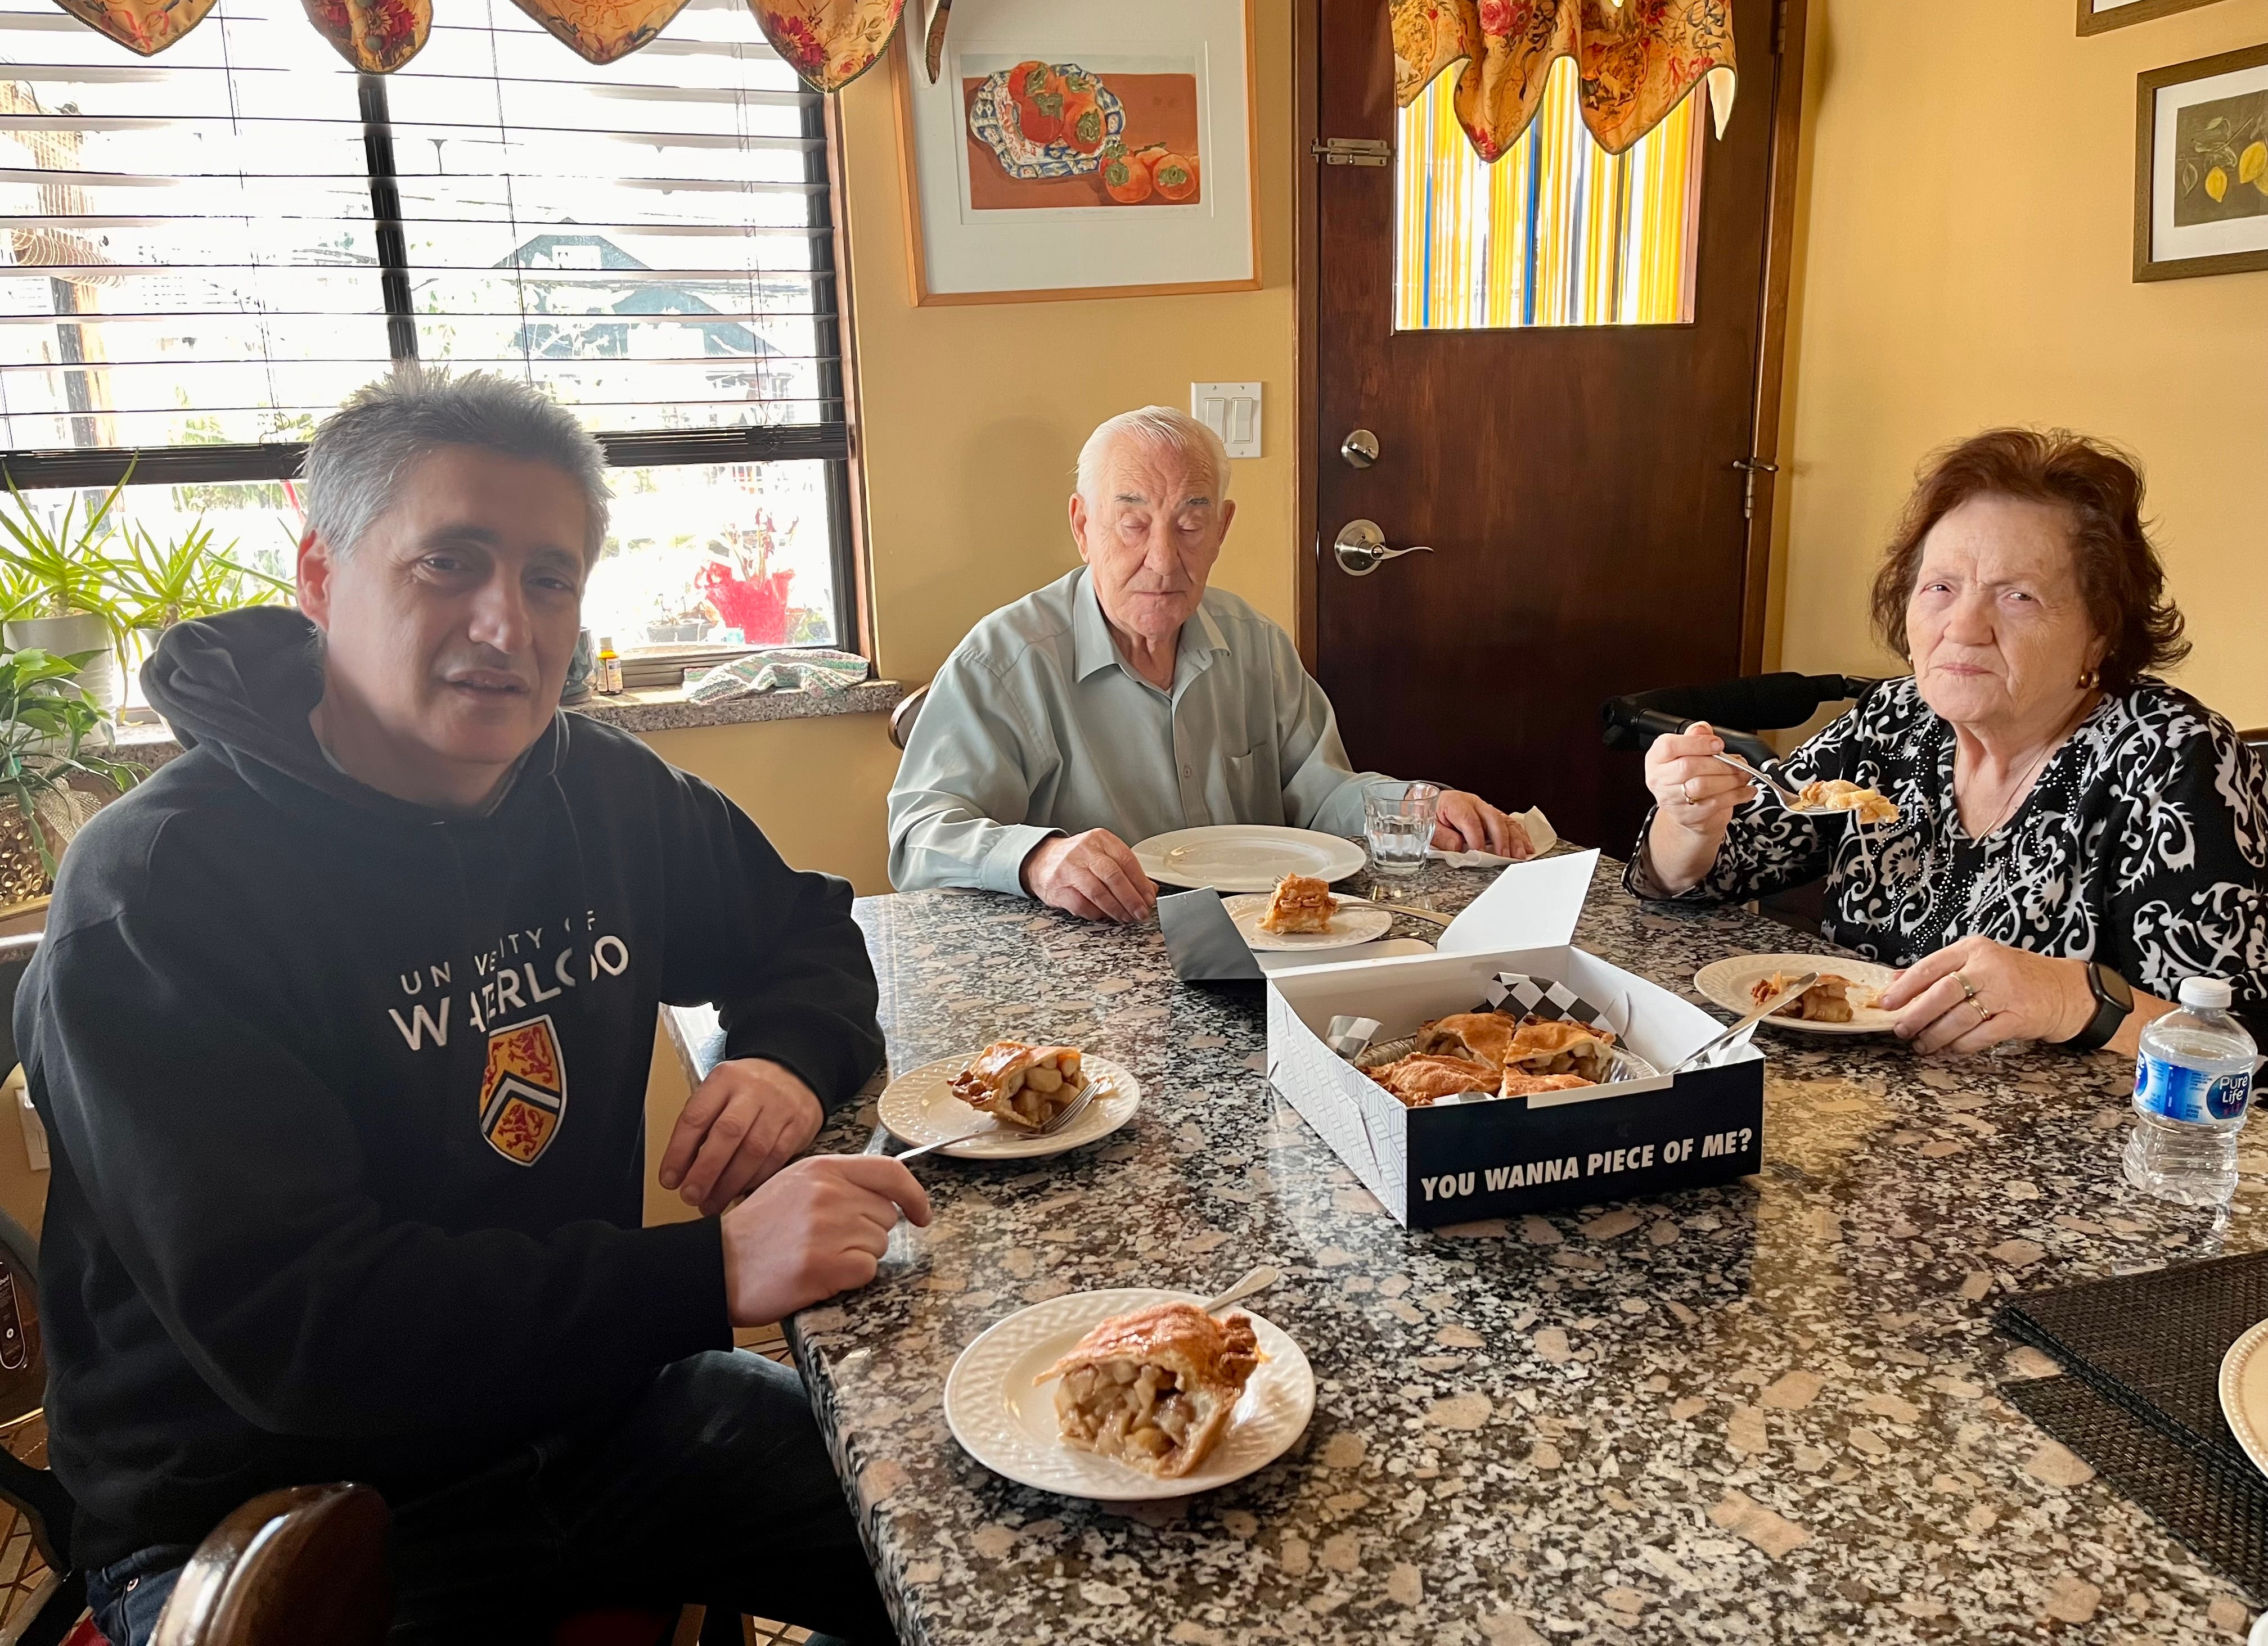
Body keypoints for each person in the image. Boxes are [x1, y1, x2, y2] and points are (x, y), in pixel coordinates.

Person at [18, 368, 928, 1645]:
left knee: (954, 1545)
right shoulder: (161, 893)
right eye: (450, 562)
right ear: (322, 578)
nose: (508, 622)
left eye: (550, 578)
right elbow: (306, 1329)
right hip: (274, 1513)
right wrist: (710, 1268)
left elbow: (805, 930)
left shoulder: (605, 792)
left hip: (593, 1418)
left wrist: (783, 1059)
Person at [1635, 427, 2268, 1058]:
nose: (1963, 628)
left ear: (2100, 633)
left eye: (2019, 597)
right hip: (1856, 1113)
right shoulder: (1895, 718)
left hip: (2053, 1144)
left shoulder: (2173, 756)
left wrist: (2074, 999)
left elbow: (2240, 1046)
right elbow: (1696, 880)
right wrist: (1690, 821)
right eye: (1940, 587)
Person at [888, 406, 1533, 921]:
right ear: (1083, 526)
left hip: (1264, 940)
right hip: (1097, 964)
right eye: (1132, 523)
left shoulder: (1254, 643)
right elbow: (919, 837)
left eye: (1191, 524)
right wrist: (1038, 859)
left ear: (1222, 528)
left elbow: (1322, 793)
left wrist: (1418, 805)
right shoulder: (1006, 661)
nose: (1165, 560)